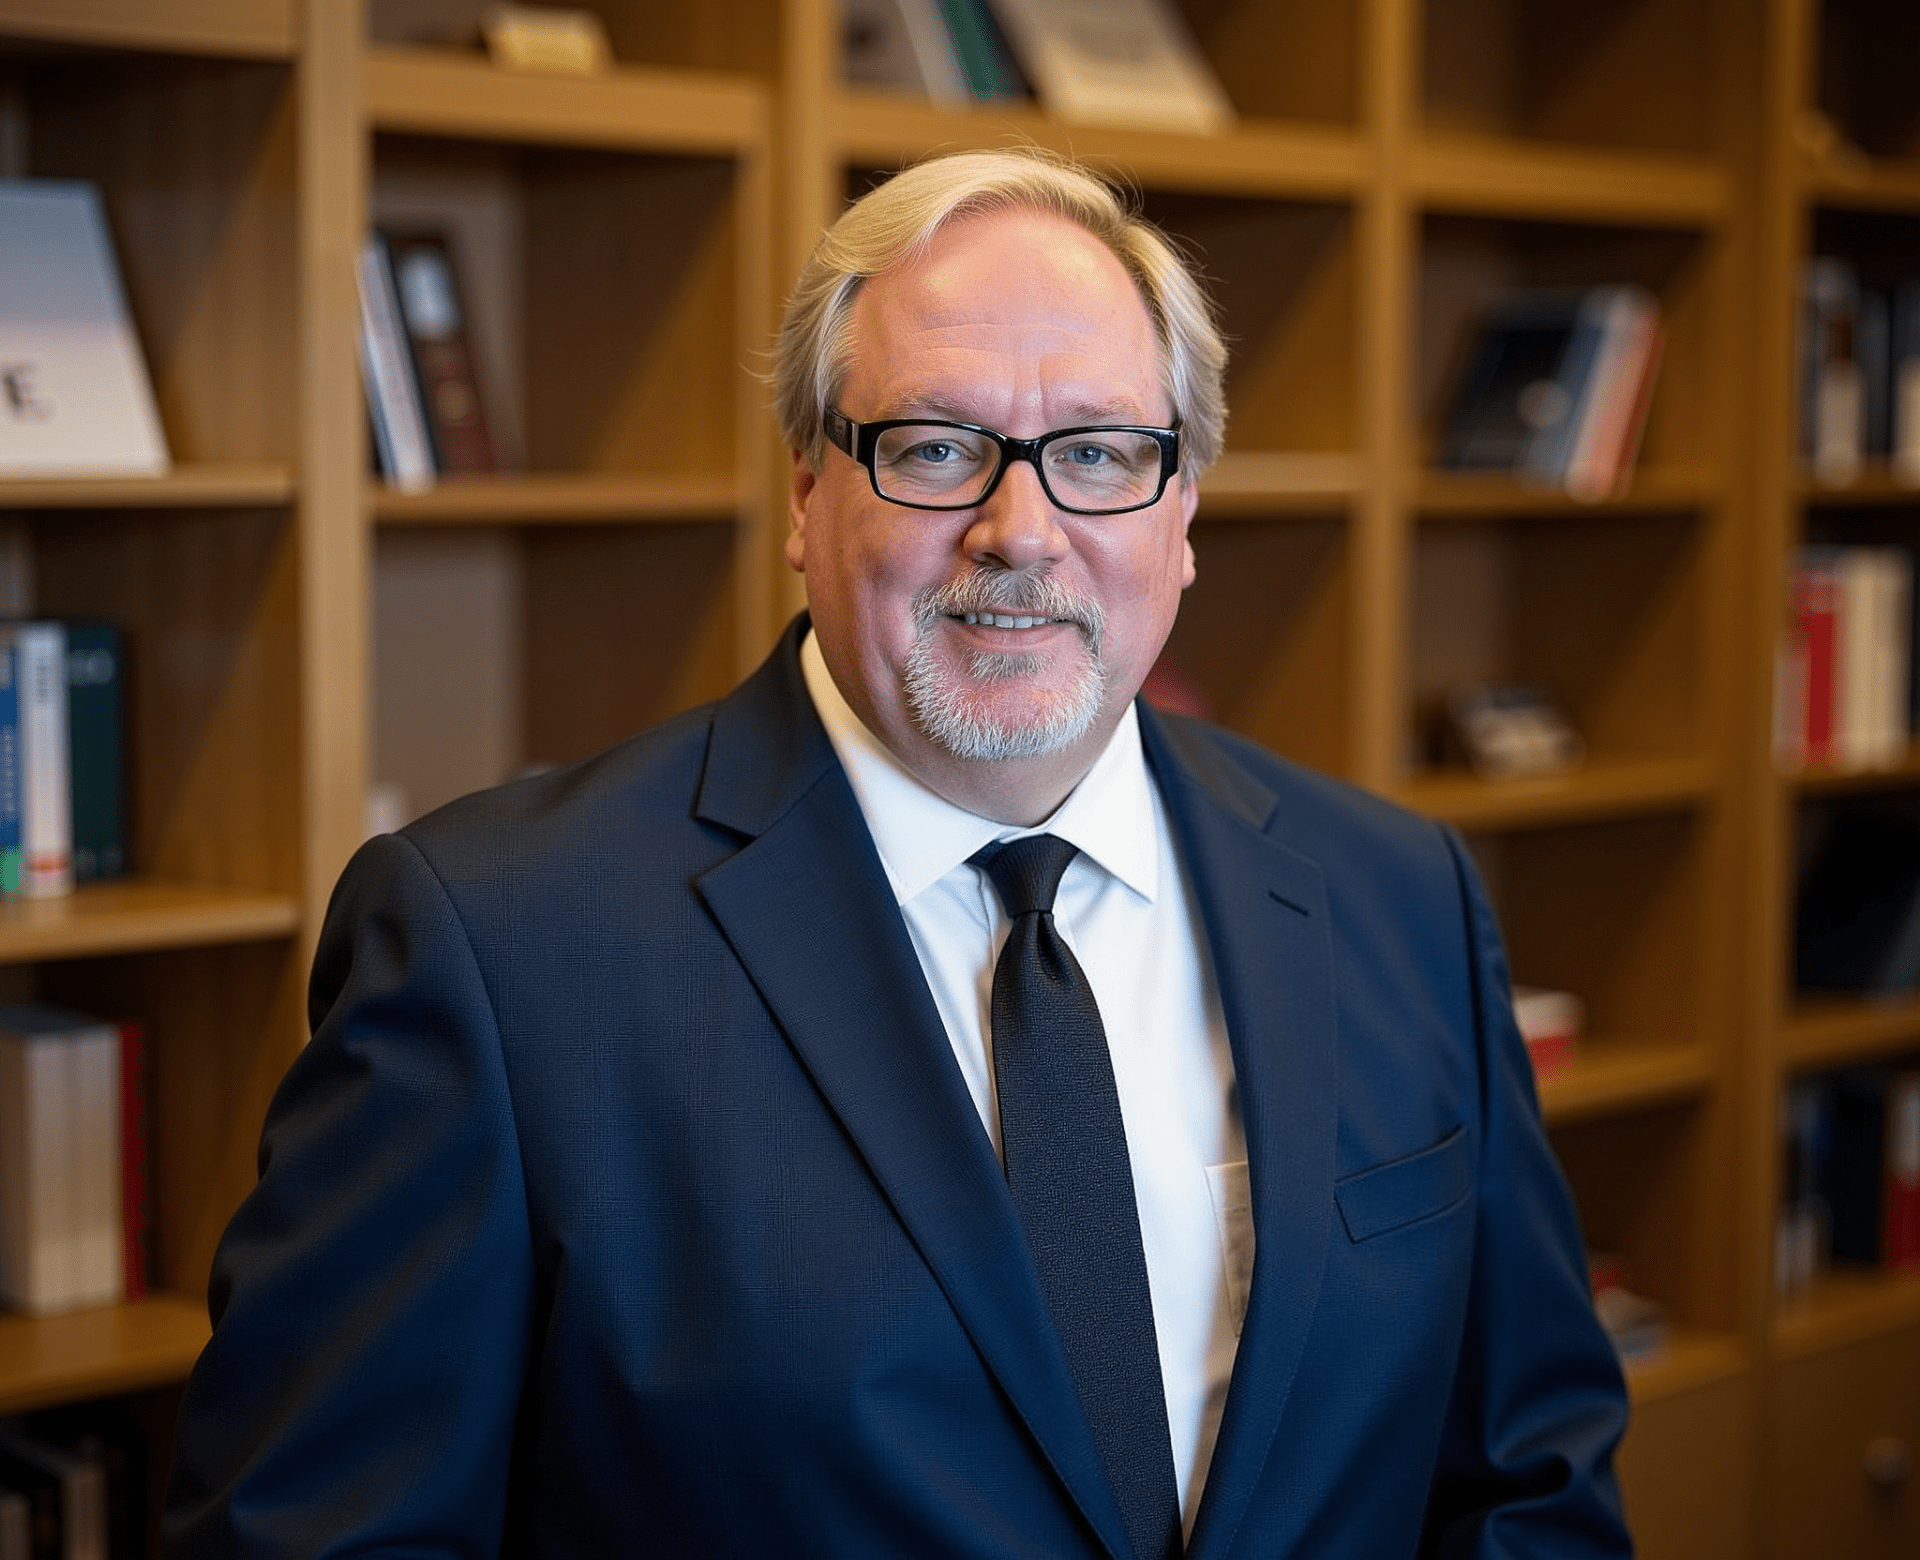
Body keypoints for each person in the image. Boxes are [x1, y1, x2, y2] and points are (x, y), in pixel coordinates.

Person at [165, 149, 1631, 1559]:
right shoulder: (496, 952)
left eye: (1102, 454)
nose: (1022, 531)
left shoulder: (1401, 896)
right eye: (937, 448)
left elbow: (1528, 1479)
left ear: (1183, 511)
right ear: (807, 493)